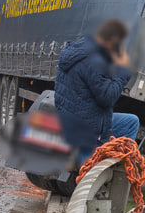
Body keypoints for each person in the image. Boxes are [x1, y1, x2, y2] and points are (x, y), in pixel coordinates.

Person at [54, 19, 139, 164]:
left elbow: (94, 83)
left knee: (130, 121)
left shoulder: (78, 51)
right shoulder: (93, 61)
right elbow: (107, 97)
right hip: (87, 126)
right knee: (131, 123)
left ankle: (107, 161)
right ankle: (105, 167)